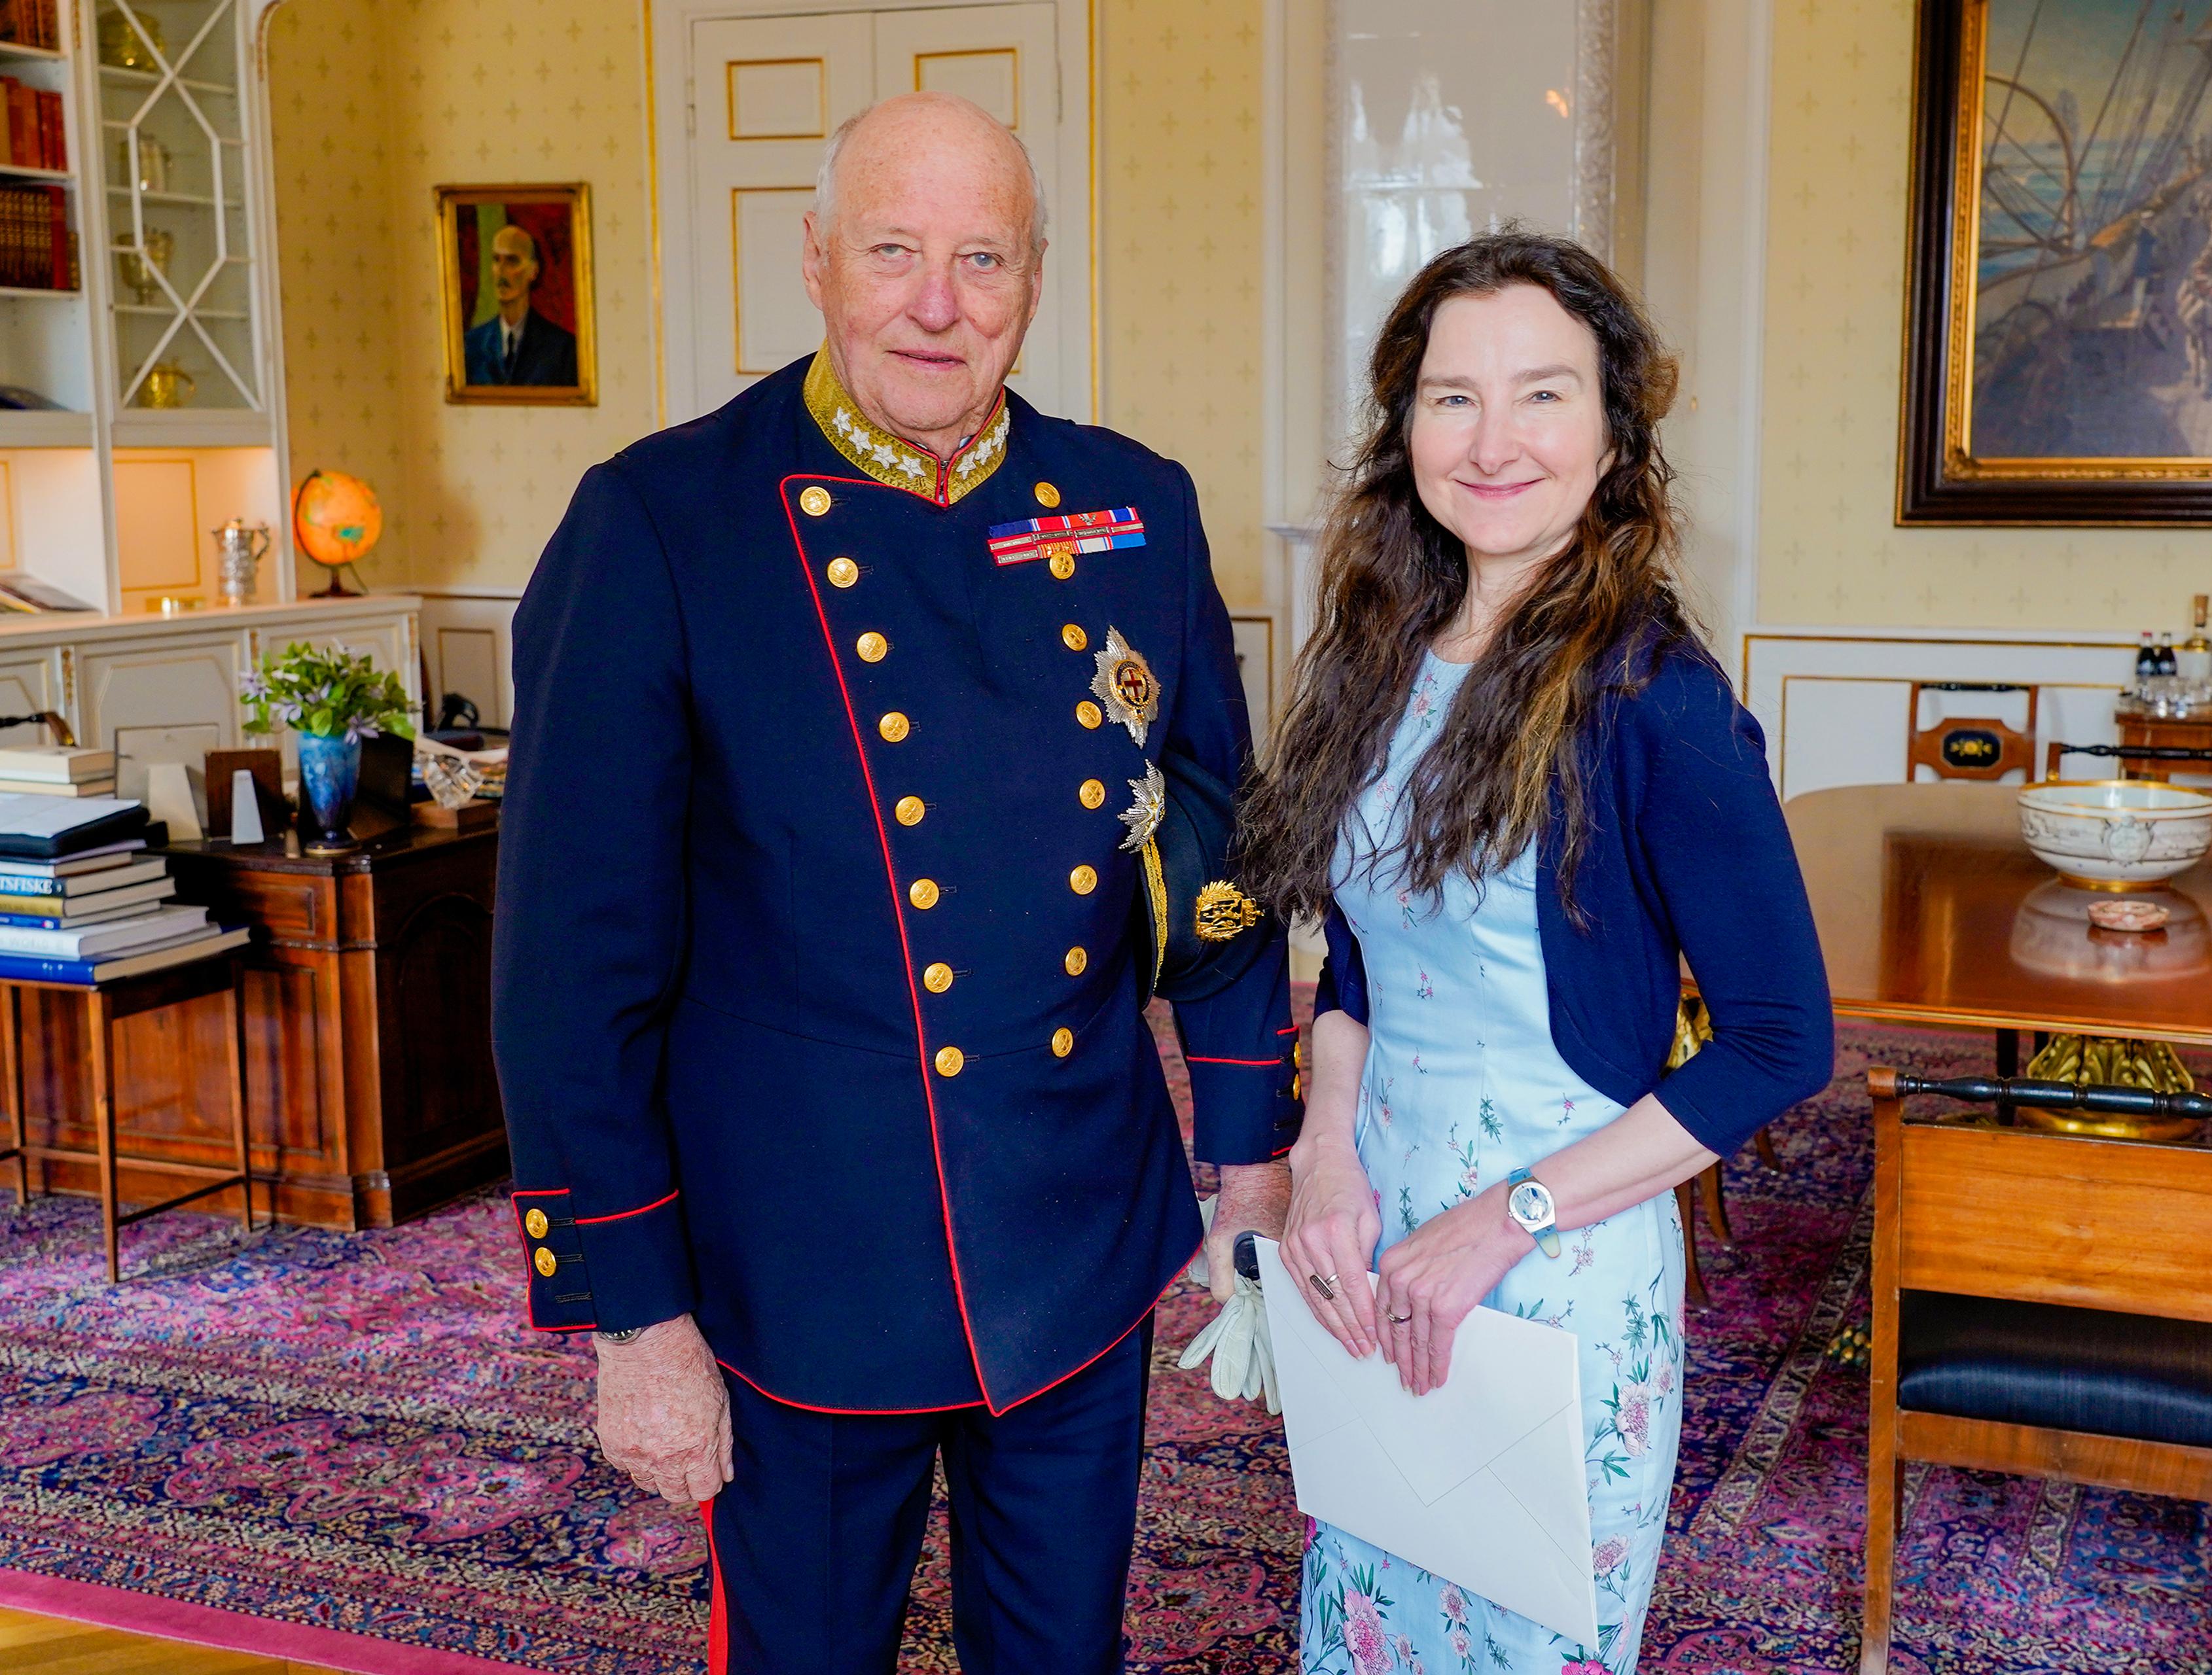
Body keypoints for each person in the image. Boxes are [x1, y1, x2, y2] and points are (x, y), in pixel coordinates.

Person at [491, 91, 1298, 1674]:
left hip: (1071, 1234)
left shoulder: (1134, 504)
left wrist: (1249, 1151)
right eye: (894, 250)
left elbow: (1216, 856)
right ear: (813, 260)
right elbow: (566, 973)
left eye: (981, 257)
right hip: (793, 1261)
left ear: (1034, 284)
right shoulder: (659, 521)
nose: (938, 303)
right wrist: (638, 1315)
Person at [1237, 230, 1834, 1675]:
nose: (1493, 440)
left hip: (1553, 1258)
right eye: (1453, 397)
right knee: (1370, 1616)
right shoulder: (1388, 650)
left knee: (1515, 1637)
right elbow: (1368, 954)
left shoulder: (1657, 700)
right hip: (1372, 1227)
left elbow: (1780, 1040)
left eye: (1543, 394)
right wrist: (1325, 1159)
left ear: (1618, 433)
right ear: (1404, 425)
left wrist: (1503, 1217)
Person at [463, 222, 580, 386]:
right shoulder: (470, 344)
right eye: (496, 260)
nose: (501, 271)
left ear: (534, 271)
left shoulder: (562, 349)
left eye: (512, 261)